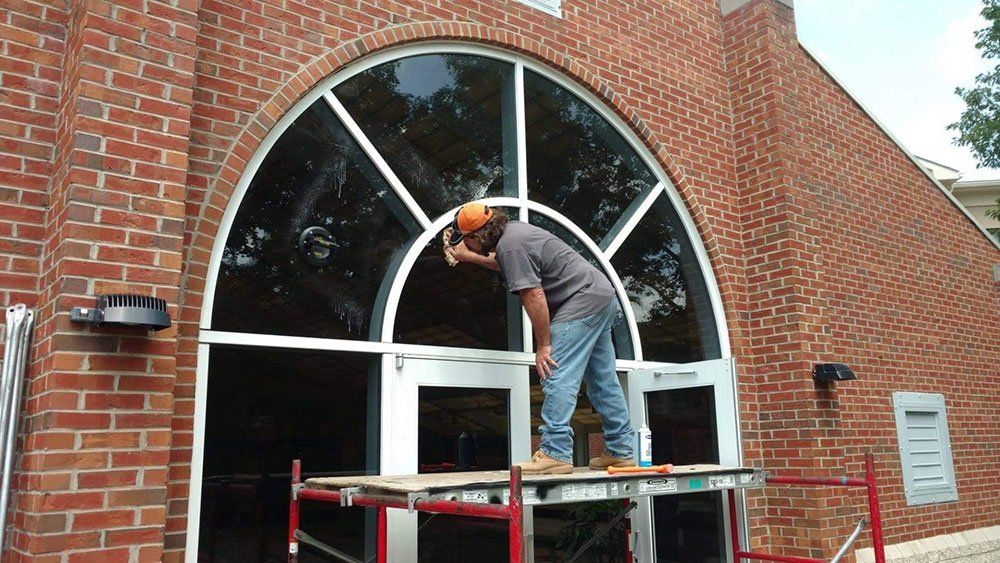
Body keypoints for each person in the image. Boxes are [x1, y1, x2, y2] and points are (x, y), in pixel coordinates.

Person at [444, 202, 635, 474]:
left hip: (579, 301)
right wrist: (469, 257)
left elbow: (533, 295)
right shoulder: (514, 233)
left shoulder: (511, 246)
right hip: (600, 295)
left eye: (467, 242)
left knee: (556, 372)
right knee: (603, 380)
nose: (469, 247)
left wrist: (544, 345)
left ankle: (555, 452)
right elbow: (504, 263)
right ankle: (620, 451)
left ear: (476, 236)